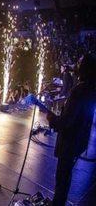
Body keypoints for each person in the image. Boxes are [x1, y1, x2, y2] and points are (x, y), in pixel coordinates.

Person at [47, 54, 96, 205]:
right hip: (79, 140)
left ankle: (58, 203)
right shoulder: (91, 87)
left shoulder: (79, 90)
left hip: (69, 141)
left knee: (62, 176)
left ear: (84, 68)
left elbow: (67, 121)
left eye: (80, 62)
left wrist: (52, 119)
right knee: (66, 175)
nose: (76, 64)